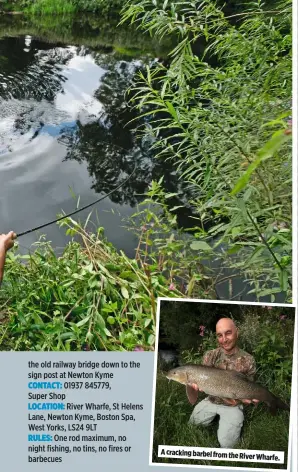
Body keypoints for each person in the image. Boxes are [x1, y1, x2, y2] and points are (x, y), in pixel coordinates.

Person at [189, 317, 259, 449]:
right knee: (193, 425)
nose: (224, 339)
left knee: (228, 445)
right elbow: (201, 378)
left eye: (228, 333)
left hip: (233, 404)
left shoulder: (248, 359)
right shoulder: (210, 355)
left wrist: (247, 398)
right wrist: (196, 386)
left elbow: (250, 385)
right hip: (211, 399)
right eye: (219, 335)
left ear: (236, 332)